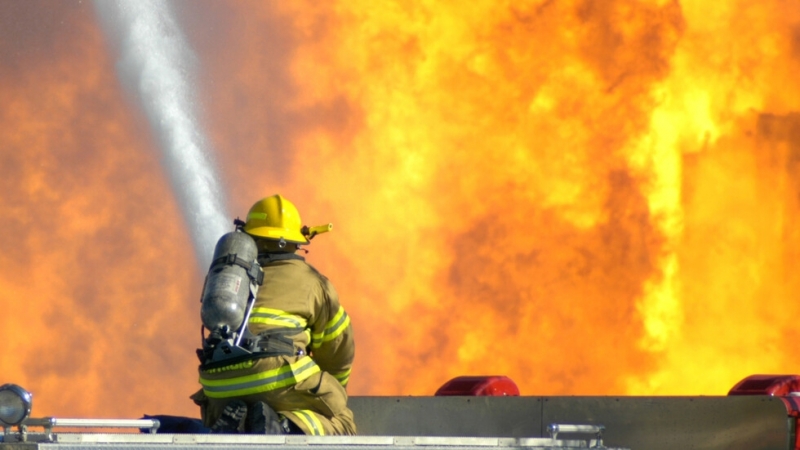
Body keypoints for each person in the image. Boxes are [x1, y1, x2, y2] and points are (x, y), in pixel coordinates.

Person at [191, 194, 356, 435]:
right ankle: (283, 427)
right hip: (275, 376)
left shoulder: (230, 276)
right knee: (342, 421)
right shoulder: (314, 283)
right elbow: (338, 352)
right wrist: (328, 392)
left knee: (242, 403)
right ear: (295, 241)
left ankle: (242, 424)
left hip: (218, 385)